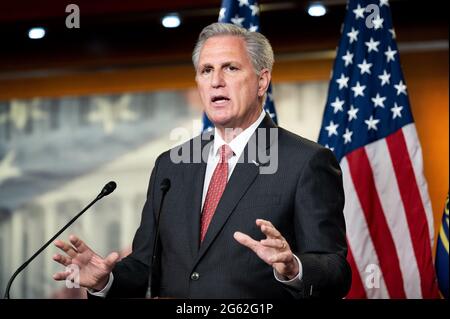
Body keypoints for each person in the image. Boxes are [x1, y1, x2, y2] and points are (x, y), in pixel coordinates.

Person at [52, 22, 351, 298]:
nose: (216, 82)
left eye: (230, 68)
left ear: (262, 82)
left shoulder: (306, 162)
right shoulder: (171, 166)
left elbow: (336, 272)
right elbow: (147, 267)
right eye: (206, 70)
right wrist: (107, 280)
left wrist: (294, 268)